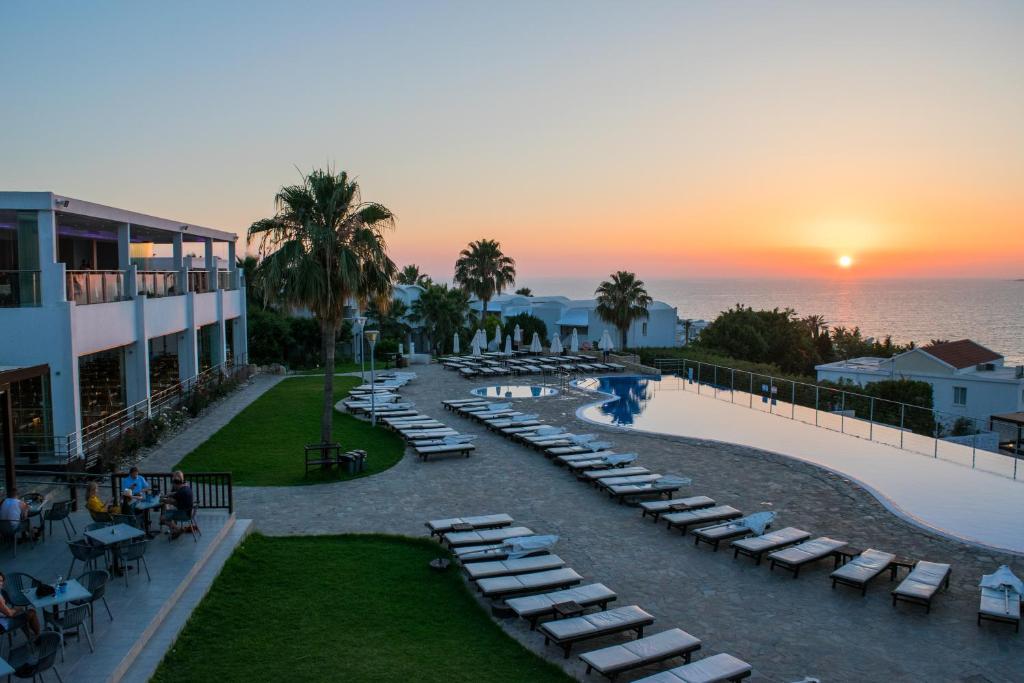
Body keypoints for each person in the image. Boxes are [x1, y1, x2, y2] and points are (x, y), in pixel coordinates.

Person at [0, 572, 40, 639]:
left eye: (1, 581)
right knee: (31, 612)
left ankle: (31, 637)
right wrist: (19, 609)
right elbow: (9, 614)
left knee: (22, 614)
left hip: (2, 620)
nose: (1, 583)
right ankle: (38, 637)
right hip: (3, 625)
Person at [161, 470, 194, 541]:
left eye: (173, 484)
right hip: (189, 512)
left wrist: (161, 499)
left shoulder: (181, 492)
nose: (173, 486)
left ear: (176, 484)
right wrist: (169, 495)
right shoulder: (186, 488)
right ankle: (174, 531)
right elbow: (174, 495)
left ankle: (178, 529)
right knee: (169, 511)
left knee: (162, 518)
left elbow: (169, 500)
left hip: (184, 514)